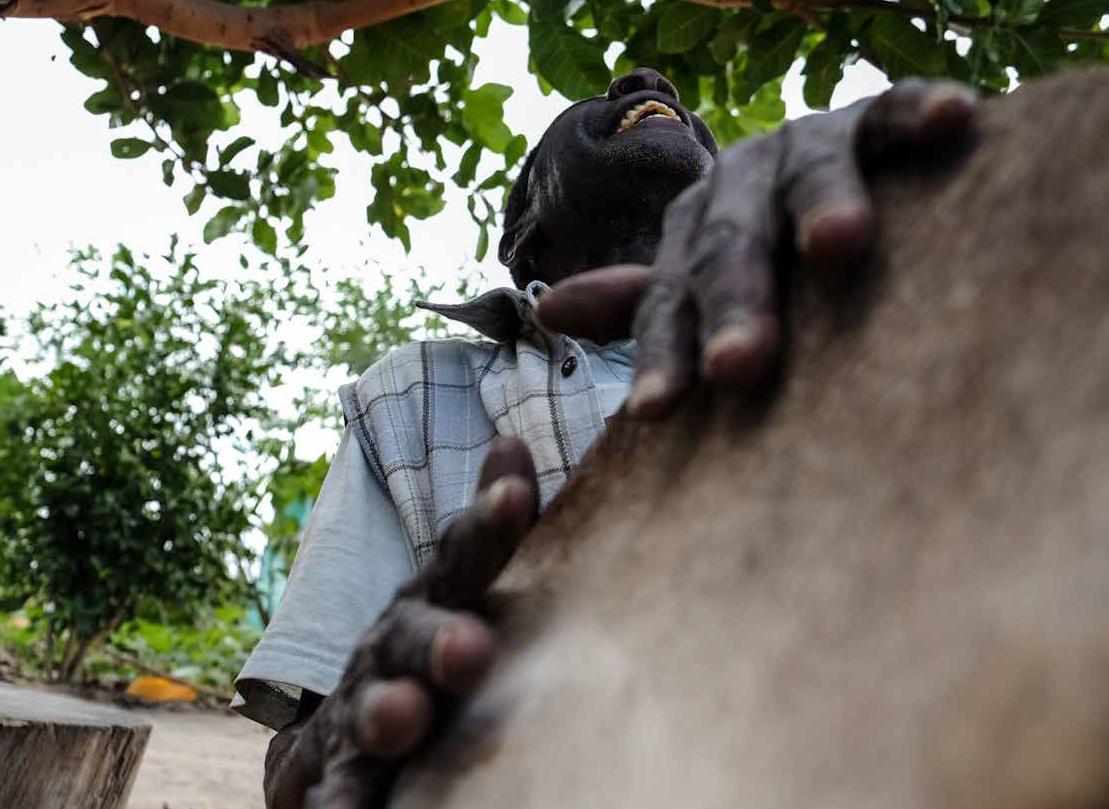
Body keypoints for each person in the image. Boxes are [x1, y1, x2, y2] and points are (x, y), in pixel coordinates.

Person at [234, 67, 976, 808]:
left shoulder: (836, 325)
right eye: (596, 104)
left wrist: (909, 220)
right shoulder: (414, 393)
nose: (649, 79)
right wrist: (363, 727)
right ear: (525, 232)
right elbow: (297, 762)